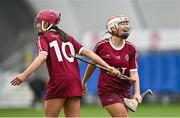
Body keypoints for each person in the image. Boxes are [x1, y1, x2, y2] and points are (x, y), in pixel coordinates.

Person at [10, 10, 119, 118]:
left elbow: (42, 57)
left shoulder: (43, 38)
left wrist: (24, 75)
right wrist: (109, 67)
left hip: (59, 82)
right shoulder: (68, 38)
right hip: (75, 81)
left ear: (47, 23)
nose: (38, 25)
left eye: (40, 22)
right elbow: (89, 53)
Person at [82, 15, 142, 117]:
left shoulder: (131, 48)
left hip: (125, 90)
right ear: (113, 28)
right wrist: (84, 82)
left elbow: (134, 72)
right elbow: (92, 65)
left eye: (127, 23)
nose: (126, 26)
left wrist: (137, 92)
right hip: (108, 90)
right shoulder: (101, 46)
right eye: (122, 24)